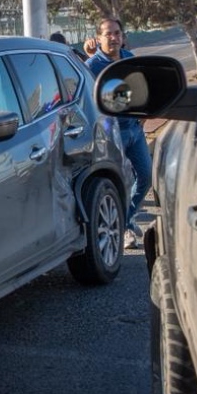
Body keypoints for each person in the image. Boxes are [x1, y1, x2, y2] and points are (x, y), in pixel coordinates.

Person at [84, 18, 152, 251]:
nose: (113, 38)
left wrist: (144, 113)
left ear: (122, 36)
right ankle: (124, 229)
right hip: (111, 134)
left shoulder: (130, 59)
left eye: (117, 33)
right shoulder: (92, 65)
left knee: (145, 178)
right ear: (98, 37)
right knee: (121, 183)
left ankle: (125, 219)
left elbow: (140, 89)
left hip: (134, 129)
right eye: (107, 34)